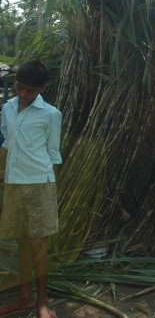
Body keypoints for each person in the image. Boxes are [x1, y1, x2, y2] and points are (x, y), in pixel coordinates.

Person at [0, 60, 62, 318]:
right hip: (13, 184)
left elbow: (54, 154)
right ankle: (25, 297)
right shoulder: (7, 108)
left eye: (30, 90)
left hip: (39, 184)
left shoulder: (50, 114)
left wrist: (52, 189)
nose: (23, 94)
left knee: (38, 244)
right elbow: (7, 143)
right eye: (19, 87)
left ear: (43, 89)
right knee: (21, 242)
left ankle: (42, 303)